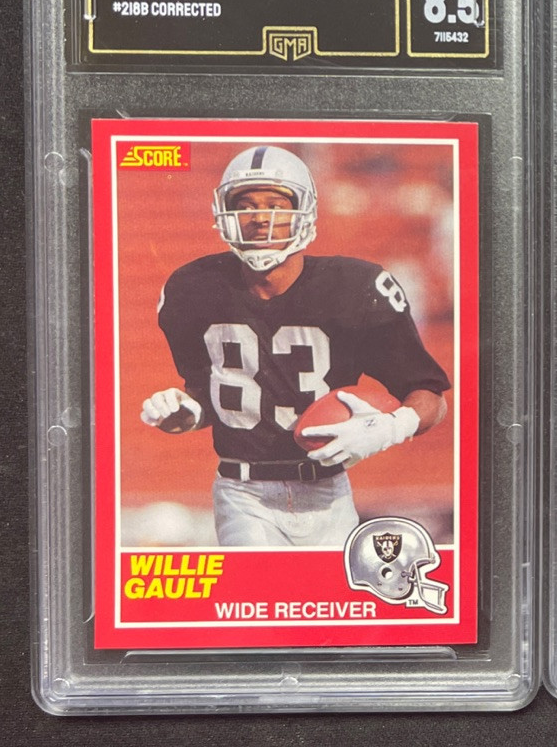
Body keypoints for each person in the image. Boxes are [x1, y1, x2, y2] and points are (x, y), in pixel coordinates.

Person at [138, 145, 450, 547]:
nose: (259, 218)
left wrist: (387, 429)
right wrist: (184, 411)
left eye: (275, 205)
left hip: (328, 493)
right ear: (224, 213)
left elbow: (429, 396)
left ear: (304, 212)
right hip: (244, 493)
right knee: (260, 584)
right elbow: (208, 398)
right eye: (246, 206)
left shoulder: (354, 288)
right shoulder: (193, 288)